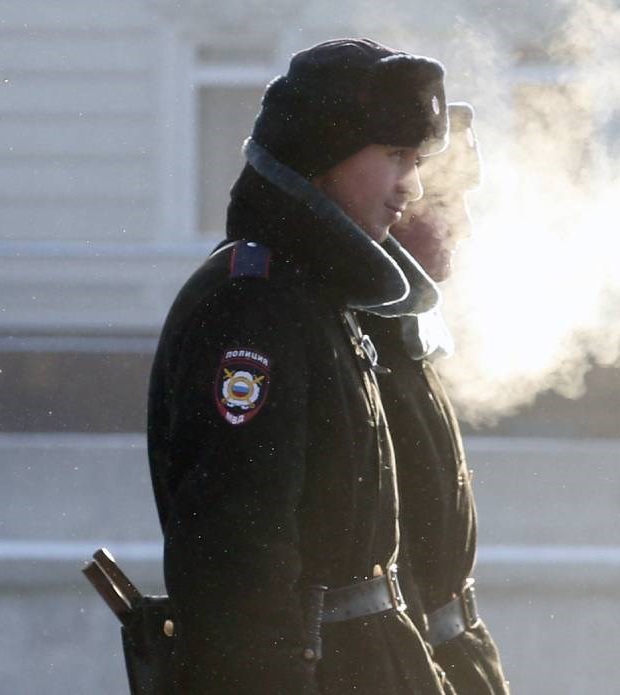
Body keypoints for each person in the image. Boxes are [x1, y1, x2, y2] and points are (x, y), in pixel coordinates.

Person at [147, 38, 459, 693]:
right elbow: (238, 571)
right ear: (324, 159)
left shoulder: (319, 302)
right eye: (396, 156)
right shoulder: (252, 308)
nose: (413, 187)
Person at [359, 103, 512, 694]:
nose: (466, 226)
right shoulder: (362, 338)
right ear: (398, 204)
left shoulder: (404, 336)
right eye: (449, 203)